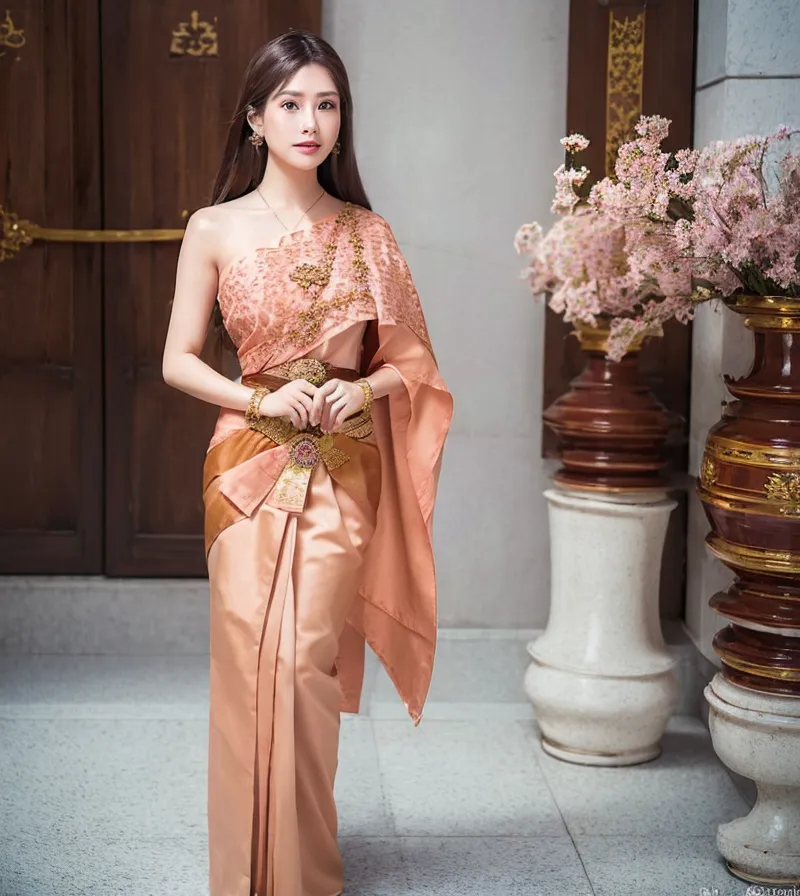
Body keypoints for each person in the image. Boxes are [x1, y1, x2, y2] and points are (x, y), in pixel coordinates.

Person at [162, 30, 453, 896]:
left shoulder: (368, 234)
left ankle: (303, 876)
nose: (310, 121)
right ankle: (243, 876)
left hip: (340, 471)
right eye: (290, 104)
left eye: (326, 104)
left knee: (303, 667)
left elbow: (416, 369)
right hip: (244, 466)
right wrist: (257, 399)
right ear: (254, 119)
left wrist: (359, 395)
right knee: (246, 660)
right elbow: (178, 359)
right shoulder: (212, 228)